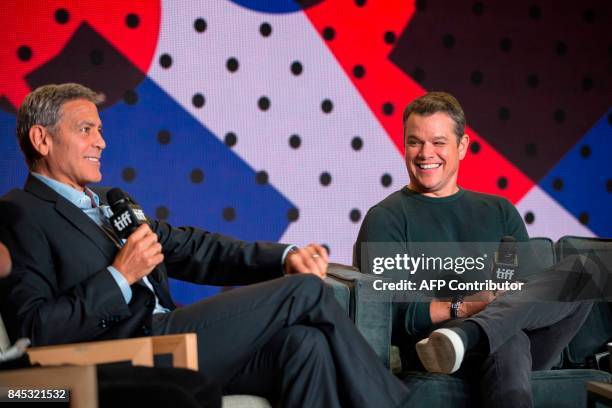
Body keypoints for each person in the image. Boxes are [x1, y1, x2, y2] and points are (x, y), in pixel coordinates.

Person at [0, 83, 411, 408]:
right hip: (126, 352)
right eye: (85, 129)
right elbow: (37, 331)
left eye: (100, 130)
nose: (101, 142)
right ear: (41, 139)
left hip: (170, 340)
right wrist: (119, 276)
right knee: (306, 290)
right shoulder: (21, 214)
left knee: (305, 345)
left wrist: (284, 256)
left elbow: (197, 249)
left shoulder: (111, 202)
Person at [354, 92, 599, 408]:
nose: (425, 153)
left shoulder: (500, 211)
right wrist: (468, 307)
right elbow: (390, 316)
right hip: (438, 352)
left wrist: (496, 307)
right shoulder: (386, 218)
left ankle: (472, 335)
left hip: (519, 343)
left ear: (462, 146)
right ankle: (470, 335)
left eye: (438, 142)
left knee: (589, 270)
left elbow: (530, 299)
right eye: (414, 142)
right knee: (507, 338)